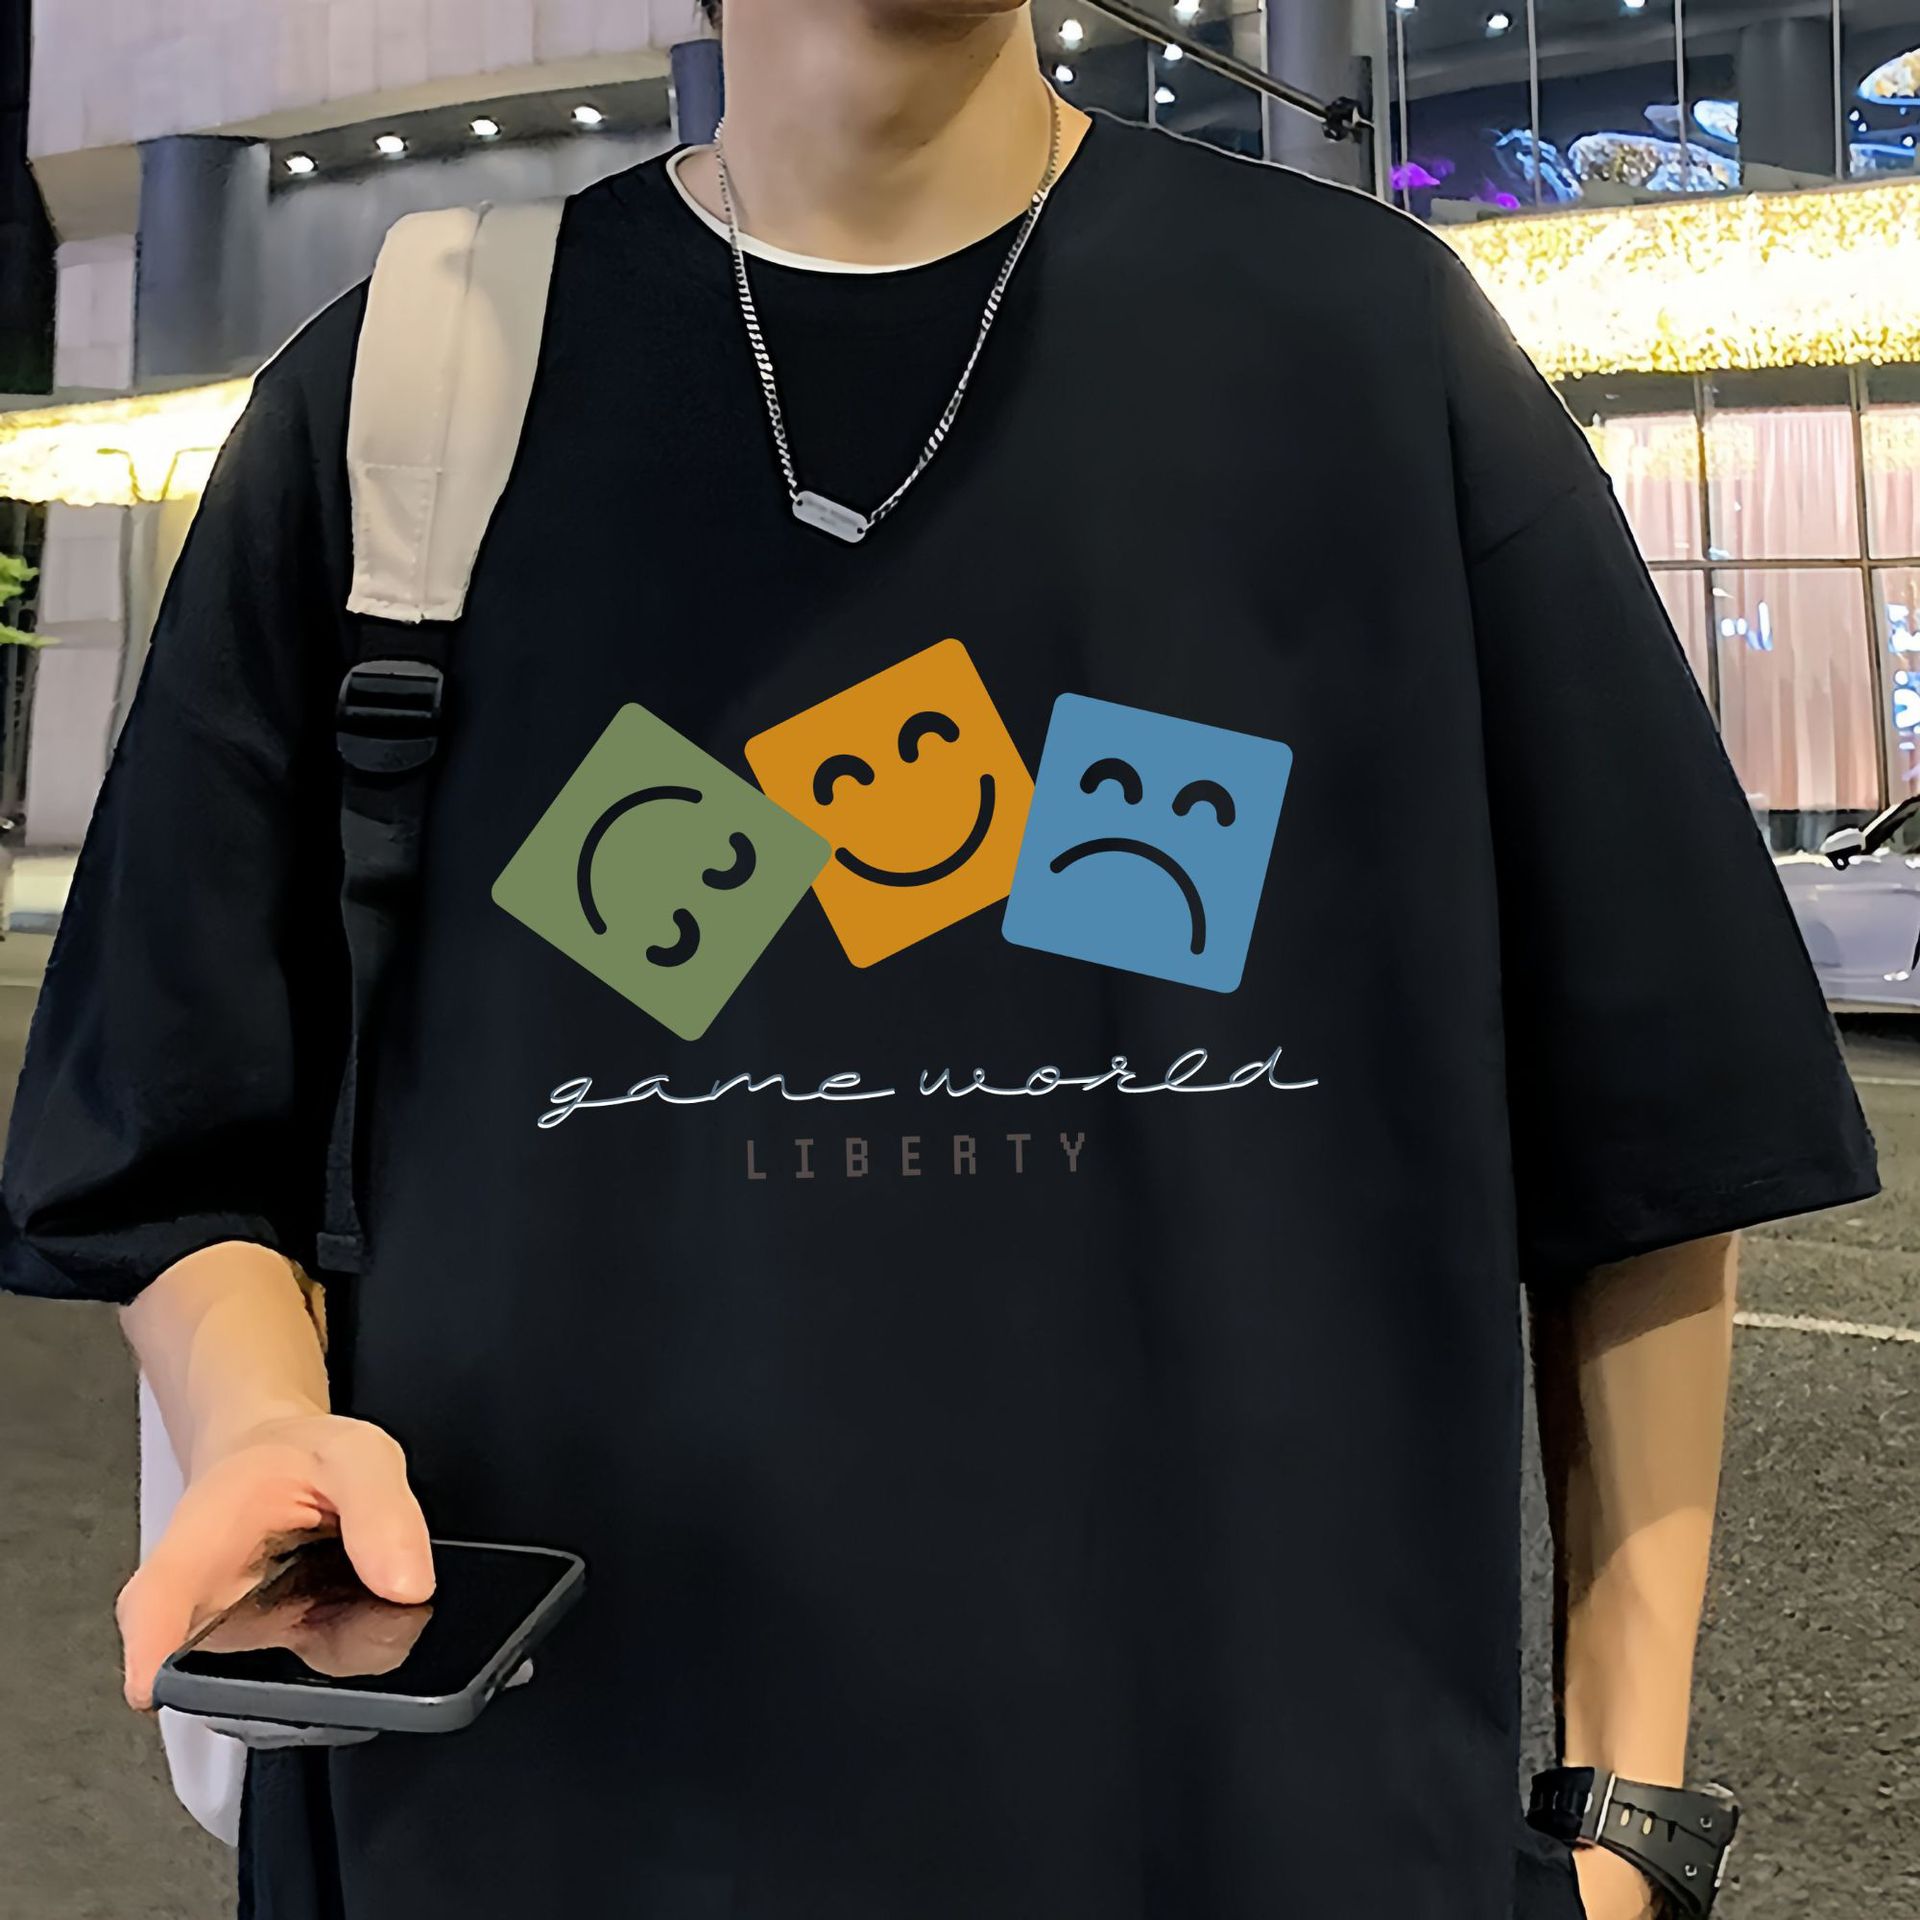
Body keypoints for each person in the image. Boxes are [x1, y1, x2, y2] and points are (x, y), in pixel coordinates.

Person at [0, 2, 1877, 1916]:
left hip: (1258, 1823)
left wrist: (1627, 1826)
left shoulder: (1365, 349)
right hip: (546, 1818)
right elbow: (172, 1128)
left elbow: (1654, 1137)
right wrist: (258, 1422)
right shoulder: (405, 396)